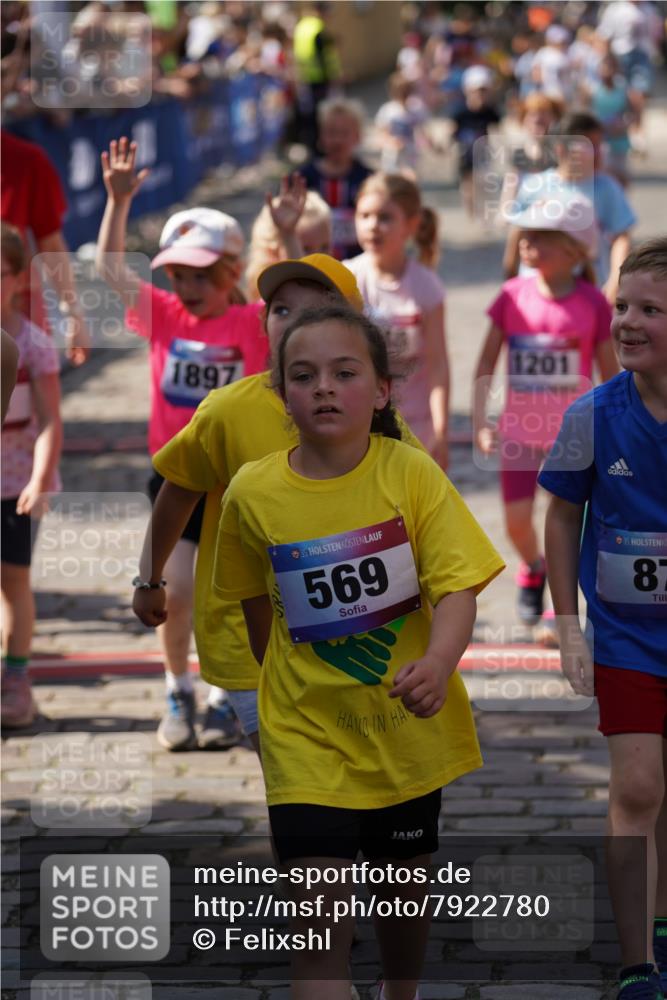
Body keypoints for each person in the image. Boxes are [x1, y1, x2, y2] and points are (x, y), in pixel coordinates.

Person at [214, 303, 505, 1000]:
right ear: (280, 393)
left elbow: (458, 584)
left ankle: (399, 990)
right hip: (304, 739)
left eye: (344, 373)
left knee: (403, 894)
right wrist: (270, 704)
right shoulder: (251, 493)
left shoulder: (407, 473)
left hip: (404, 732)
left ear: (379, 390)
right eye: (302, 375)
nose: (321, 387)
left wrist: (437, 662)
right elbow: (255, 606)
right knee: (316, 942)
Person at [133, 255, 368, 756]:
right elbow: (176, 493)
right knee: (290, 779)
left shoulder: (372, 407)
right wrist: (150, 579)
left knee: (348, 774)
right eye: (281, 309)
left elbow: (418, 504)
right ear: (263, 321)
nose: (295, 322)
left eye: (316, 311)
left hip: (350, 634)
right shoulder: (225, 411)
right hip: (246, 642)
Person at [96, 137, 269, 752]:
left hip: (242, 483)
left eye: (202, 274)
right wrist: (119, 202)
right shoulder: (164, 314)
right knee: (175, 590)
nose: (189, 285)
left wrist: (293, 240)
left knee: (235, 593)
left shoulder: (251, 323)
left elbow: (305, 303)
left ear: (231, 272)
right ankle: (178, 688)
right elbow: (112, 272)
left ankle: (229, 695)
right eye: (179, 274)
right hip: (176, 479)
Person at [538, 237, 667, 1000]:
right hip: (625, 639)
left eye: (651, 310)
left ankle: (660, 921)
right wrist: (565, 623)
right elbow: (560, 515)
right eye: (621, 305)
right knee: (639, 787)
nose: (627, 321)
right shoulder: (591, 414)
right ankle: (635, 965)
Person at [473, 197, 618, 631]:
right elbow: (484, 363)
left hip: (573, 437)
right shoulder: (510, 297)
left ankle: (561, 605)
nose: (525, 243)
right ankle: (532, 567)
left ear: (575, 249)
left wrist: (612, 430)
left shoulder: (594, 303)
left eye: (540, 238)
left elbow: (611, 375)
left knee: (566, 526)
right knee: (517, 522)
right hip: (518, 432)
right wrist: (481, 421)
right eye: (524, 235)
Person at [1, 221, 63, 728]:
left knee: (13, 582)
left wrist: (40, 478)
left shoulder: (33, 344)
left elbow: (50, 421)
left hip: (15, 486)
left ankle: (16, 677)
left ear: (18, 278)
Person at [344, 173, 449, 468]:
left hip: (414, 425)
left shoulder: (427, 287)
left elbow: (438, 364)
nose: (373, 226)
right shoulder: (345, 278)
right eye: (364, 215)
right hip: (357, 421)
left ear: (412, 225)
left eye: (385, 217)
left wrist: (441, 429)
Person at [504, 111, 637, 302]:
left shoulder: (606, 188)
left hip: (587, 289)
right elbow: (517, 231)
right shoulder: (535, 185)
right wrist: (509, 272)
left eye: (600, 145)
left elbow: (621, 237)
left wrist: (615, 281)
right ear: (561, 149)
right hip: (535, 289)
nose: (598, 153)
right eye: (589, 146)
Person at [0, 129, 90, 365]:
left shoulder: (26, 159)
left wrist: (74, 314)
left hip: (15, 319)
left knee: (33, 398)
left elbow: (51, 244)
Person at [298, 97, 372, 261]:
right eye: (331, 132)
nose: (337, 140)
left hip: (358, 270)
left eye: (344, 133)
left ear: (358, 136)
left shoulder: (370, 181)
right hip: (312, 269)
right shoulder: (301, 180)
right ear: (321, 136)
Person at [245, 180, 332, 301]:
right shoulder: (267, 306)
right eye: (305, 249)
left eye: (325, 247)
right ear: (271, 252)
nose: (318, 257)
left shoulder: (335, 292)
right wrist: (288, 234)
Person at [374, 72, 430, 177]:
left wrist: (431, 144)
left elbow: (423, 131)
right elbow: (381, 134)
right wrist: (391, 141)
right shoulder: (388, 110)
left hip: (410, 153)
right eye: (401, 92)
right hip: (392, 155)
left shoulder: (416, 109)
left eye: (406, 92)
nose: (404, 96)